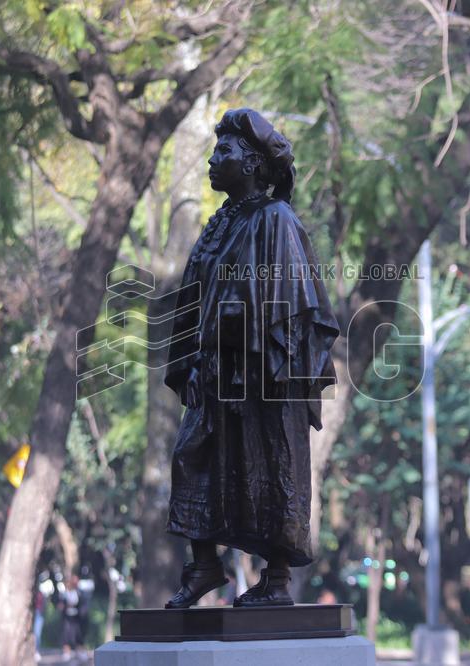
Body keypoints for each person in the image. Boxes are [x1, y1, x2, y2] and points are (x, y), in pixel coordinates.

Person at [163, 108, 339, 609]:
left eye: (226, 153)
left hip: (263, 373)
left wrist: (243, 347)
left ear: (256, 164)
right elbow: (194, 300)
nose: (214, 161)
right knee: (192, 458)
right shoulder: (220, 224)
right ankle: (204, 567)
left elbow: (288, 300)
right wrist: (194, 360)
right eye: (214, 151)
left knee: (267, 467)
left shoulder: (275, 219)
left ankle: (276, 580)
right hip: (216, 372)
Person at [57, 574, 86, 657]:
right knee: (66, 634)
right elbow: (61, 603)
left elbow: (82, 604)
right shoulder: (64, 593)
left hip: (76, 617)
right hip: (67, 617)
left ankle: (80, 651)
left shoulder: (79, 592)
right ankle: (67, 652)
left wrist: (81, 612)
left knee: (78, 634)